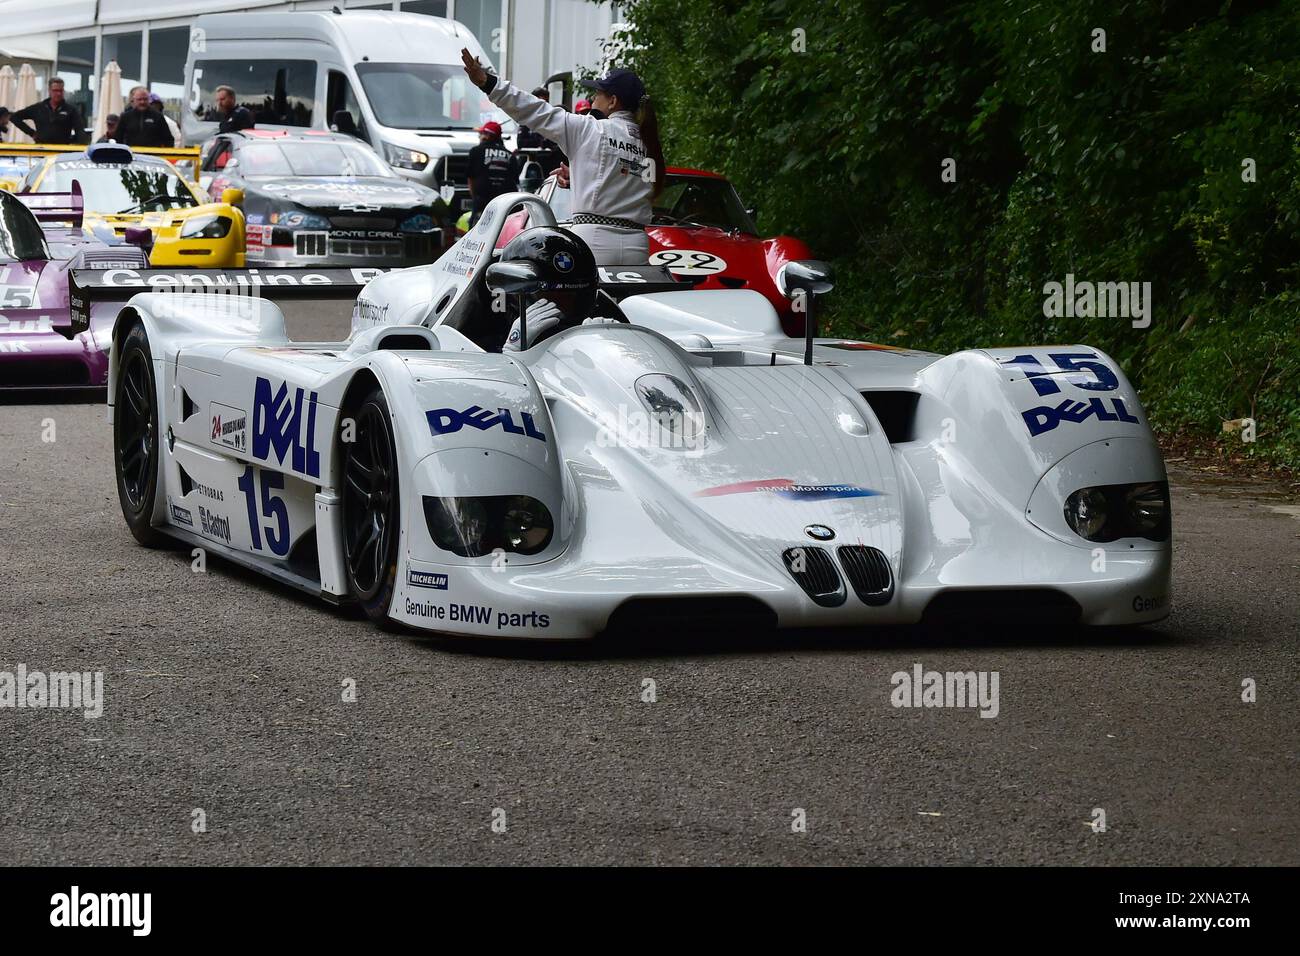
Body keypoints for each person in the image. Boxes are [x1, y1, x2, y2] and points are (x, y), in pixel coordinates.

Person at [461, 52, 664, 268]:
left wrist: (488, 82)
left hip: (595, 240)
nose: (594, 99)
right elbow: (626, 180)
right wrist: (580, 176)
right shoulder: (649, 144)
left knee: (584, 302)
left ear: (612, 101)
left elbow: (533, 110)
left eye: (598, 93)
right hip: (638, 244)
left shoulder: (589, 128)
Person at [496, 226, 604, 352]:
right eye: (551, 299)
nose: (561, 308)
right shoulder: (488, 324)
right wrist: (512, 347)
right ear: (515, 294)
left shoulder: (599, 321)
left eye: (571, 297)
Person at [465, 119, 516, 227]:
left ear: (487, 136)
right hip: (505, 204)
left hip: (482, 201)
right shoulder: (510, 155)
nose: (479, 136)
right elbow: (514, 179)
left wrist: (474, 198)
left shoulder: (476, 151)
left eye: (481, 133)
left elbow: (470, 178)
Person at [9, 78, 87, 144]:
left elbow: (80, 130)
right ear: (49, 91)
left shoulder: (71, 110)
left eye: (61, 91)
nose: (58, 93)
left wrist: (76, 142)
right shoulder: (38, 108)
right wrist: (31, 133)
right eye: (55, 90)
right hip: (42, 151)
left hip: (62, 152)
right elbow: (14, 117)